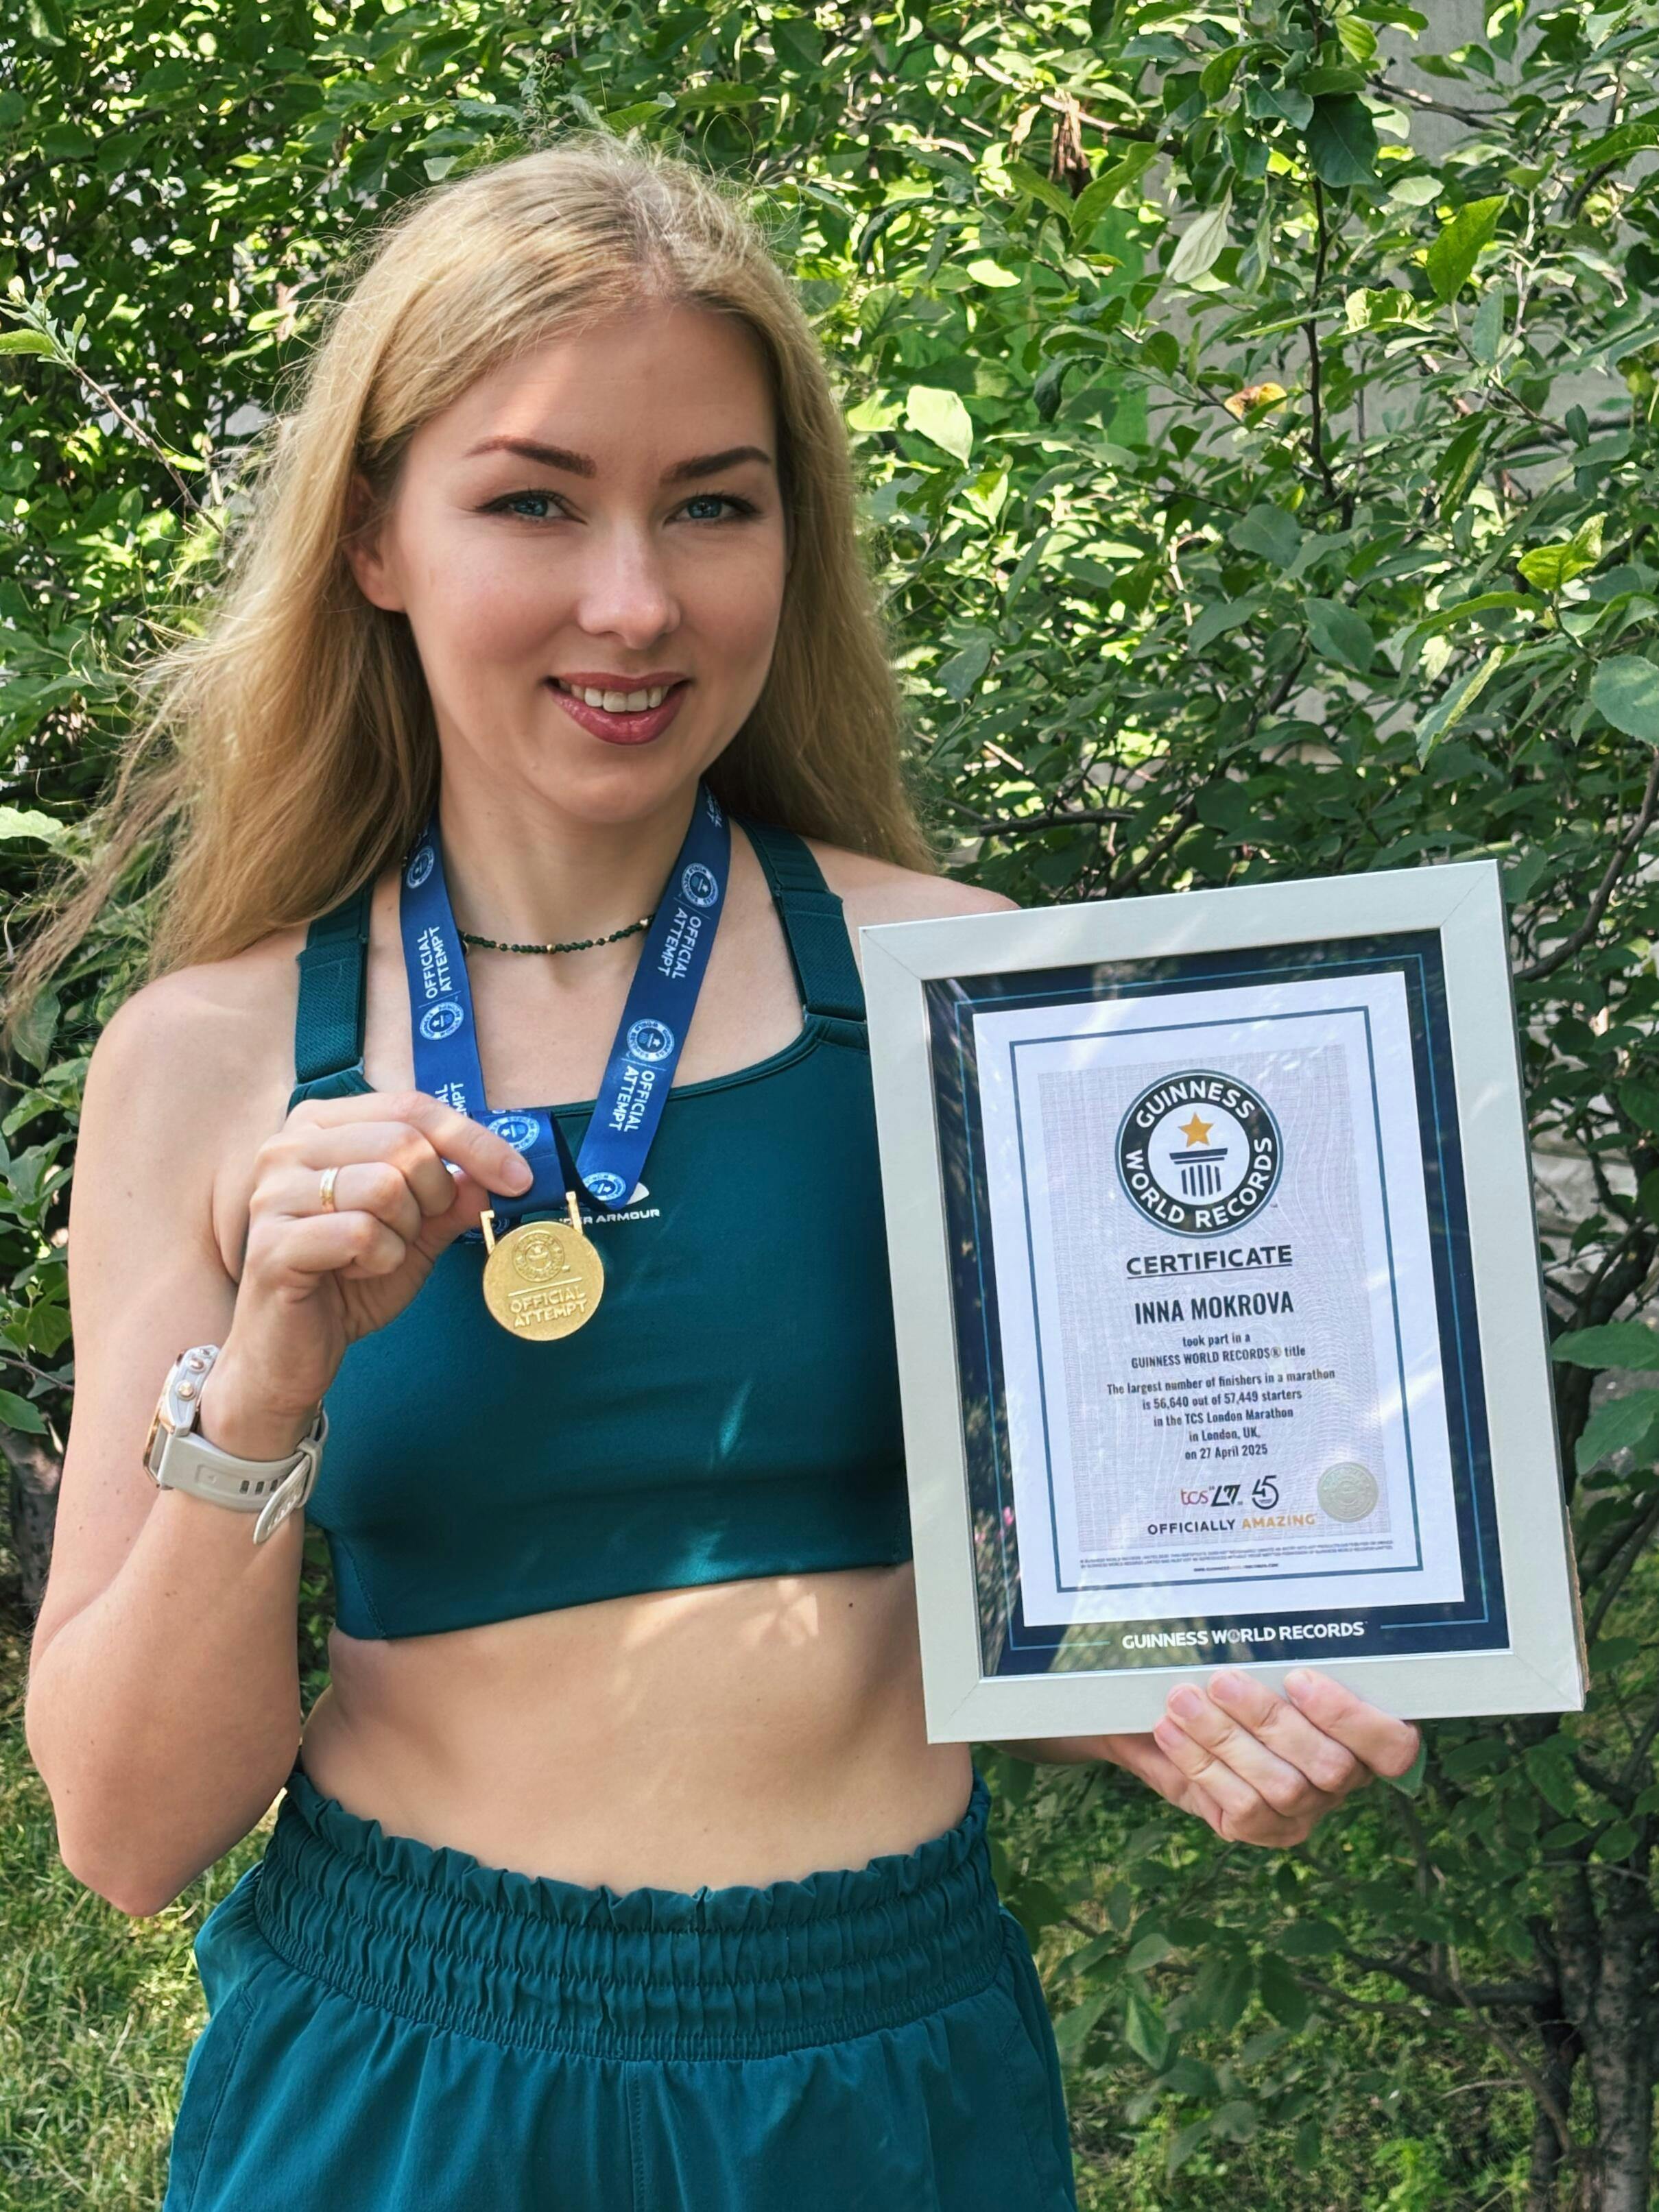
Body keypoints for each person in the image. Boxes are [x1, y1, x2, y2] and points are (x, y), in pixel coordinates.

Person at [17, 136, 1421, 2211]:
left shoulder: (968, 990)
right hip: (405, 2068)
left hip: (877, 2063)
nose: (636, 600)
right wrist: (274, 1367)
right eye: (533, 500)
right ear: (377, 536)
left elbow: (1074, 1584)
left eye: (713, 503)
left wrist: (1196, 1700)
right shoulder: (212, 1058)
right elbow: (131, 1832)